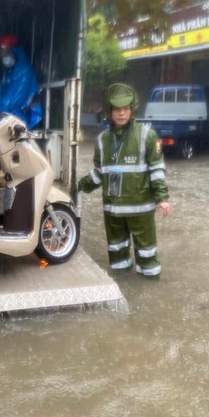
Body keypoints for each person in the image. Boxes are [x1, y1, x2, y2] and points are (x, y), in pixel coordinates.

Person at [78, 83, 171, 280]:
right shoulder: (102, 139)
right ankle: (123, 285)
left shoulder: (147, 135)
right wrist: (77, 187)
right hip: (113, 212)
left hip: (141, 210)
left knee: (147, 255)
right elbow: (99, 173)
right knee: (117, 256)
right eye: (117, 109)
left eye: (126, 109)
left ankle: (149, 286)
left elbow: (157, 170)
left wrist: (162, 198)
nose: (122, 113)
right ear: (109, 111)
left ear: (132, 109)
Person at [0, 34, 43, 175]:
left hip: (21, 113)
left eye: (4, 53)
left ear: (13, 51)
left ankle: (6, 166)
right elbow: (2, 92)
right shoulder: (10, 72)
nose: (3, 58)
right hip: (10, 110)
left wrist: (1, 110)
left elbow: (16, 97)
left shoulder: (23, 71)